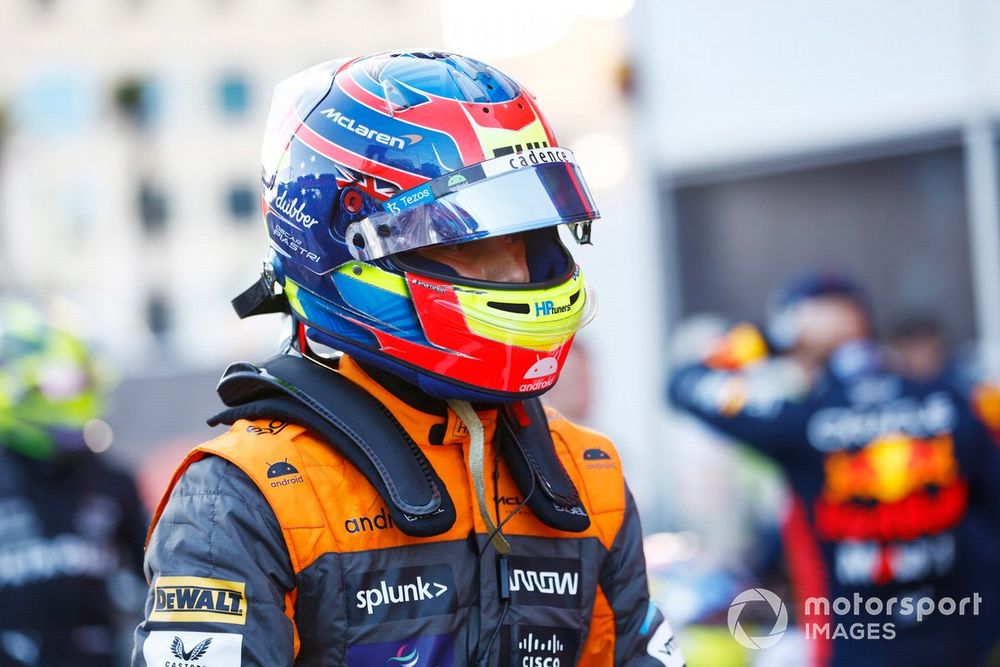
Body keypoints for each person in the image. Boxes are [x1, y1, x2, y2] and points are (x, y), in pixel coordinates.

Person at [131, 51, 683, 667]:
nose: (515, 274)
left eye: (526, 241)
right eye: (465, 243)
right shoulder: (242, 494)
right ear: (347, 250)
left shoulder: (588, 472)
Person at [668, 272, 1000, 667]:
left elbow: (684, 382)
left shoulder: (801, 421)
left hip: (854, 646)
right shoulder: (953, 402)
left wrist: (772, 339)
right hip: (962, 638)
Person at [0, 298, 148, 667]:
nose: (73, 398)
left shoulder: (111, 480)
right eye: (58, 386)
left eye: (81, 383)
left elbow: (156, 581)